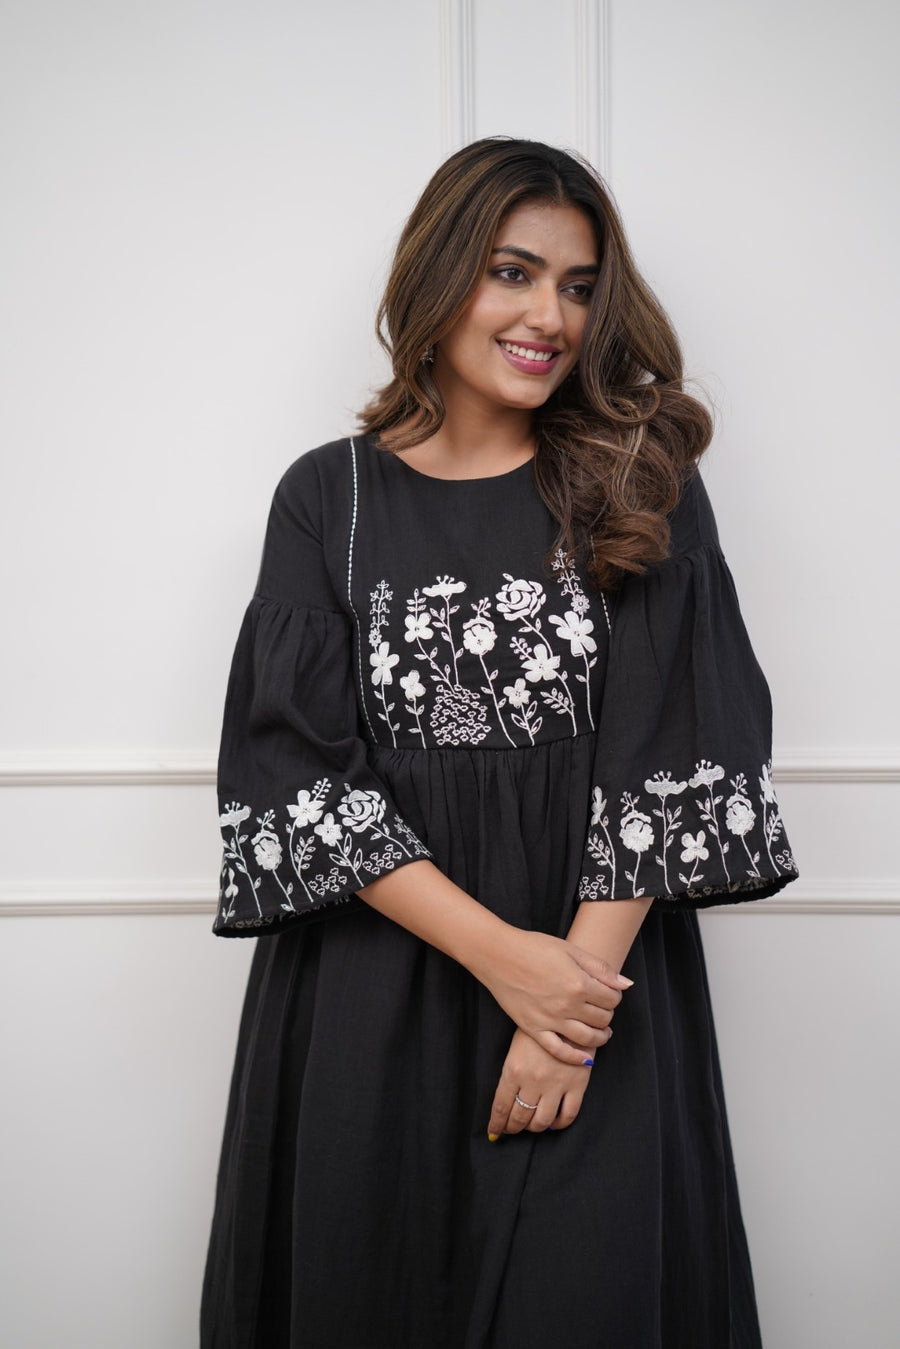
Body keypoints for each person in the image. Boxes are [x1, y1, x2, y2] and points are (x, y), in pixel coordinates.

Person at [201, 137, 797, 1349]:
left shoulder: (638, 476)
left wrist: (562, 1010)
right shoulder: (328, 498)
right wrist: (508, 963)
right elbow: (302, 777)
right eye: (512, 273)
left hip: (596, 991)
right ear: (440, 275)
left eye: (578, 286)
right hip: (375, 992)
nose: (549, 317)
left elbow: (672, 749)